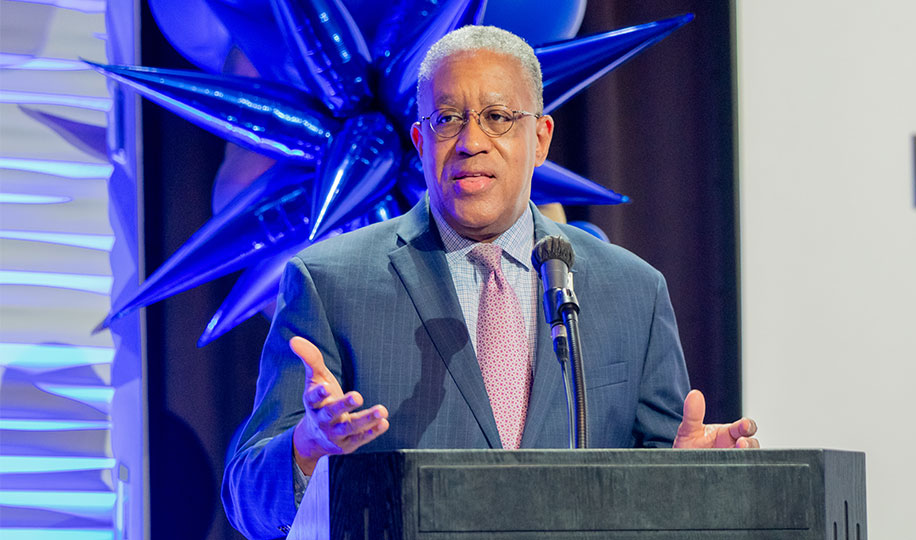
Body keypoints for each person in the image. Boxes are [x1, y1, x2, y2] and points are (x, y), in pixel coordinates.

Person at [222, 25, 758, 539]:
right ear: (420, 138)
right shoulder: (330, 282)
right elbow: (246, 499)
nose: (471, 141)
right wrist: (307, 447)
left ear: (541, 137)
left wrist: (692, 477)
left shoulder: (632, 291)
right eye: (448, 119)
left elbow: (658, 487)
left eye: (498, 116)